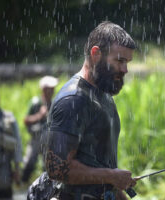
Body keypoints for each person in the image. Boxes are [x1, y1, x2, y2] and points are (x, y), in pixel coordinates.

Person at [28, 21, 138, 200]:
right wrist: (111, 176)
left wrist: (115, 183)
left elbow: (101, 165)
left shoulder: (103, 95)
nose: (125, 69)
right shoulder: (73, 99)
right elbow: (57, 169)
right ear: (96, 54)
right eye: (120, 60)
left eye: (127, 62)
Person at [22, 76, 58, 183]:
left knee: (47, 166)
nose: (52, 91)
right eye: (49, 88)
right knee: (29, 164)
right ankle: (23, 184)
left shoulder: (54, 104)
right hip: (35, 139)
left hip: (49, 141)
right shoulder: (35, 102)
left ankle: (46, 187)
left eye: (53, 88)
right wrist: (39, 115)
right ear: (43, 89)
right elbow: (26, 120)